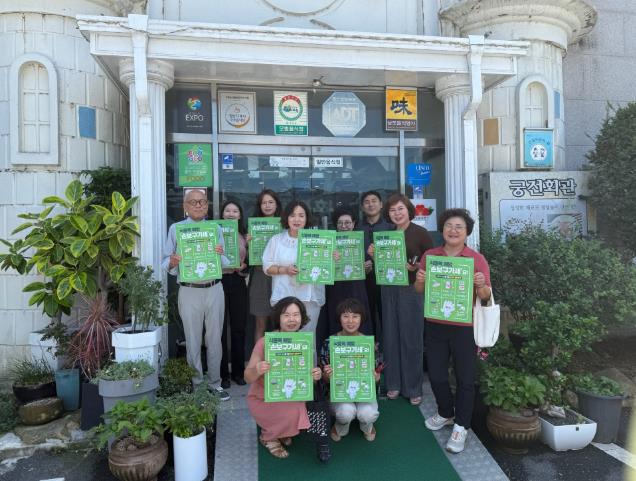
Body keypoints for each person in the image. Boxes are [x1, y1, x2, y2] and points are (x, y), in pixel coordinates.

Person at [414, 208, 492, 454]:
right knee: (437, 375)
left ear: (467, 232)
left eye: (459, 226)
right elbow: (419, 290)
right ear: (442, 229)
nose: (453, 230)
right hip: (436, 324)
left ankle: (461, 426)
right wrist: (420, 279)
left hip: (465, 328)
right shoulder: (431, 256)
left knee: (465, 379)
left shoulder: (476, 259)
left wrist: (481, 285)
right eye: (449, 225)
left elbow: (486, 296)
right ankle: (446, 412)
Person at [162, 189, 231, 401]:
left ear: (207, 205)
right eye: (193, 202)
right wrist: (172, 262)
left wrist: (221, 254)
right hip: (189, 290)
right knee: (192, 340)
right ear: (185, 207)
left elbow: (227, 262)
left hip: (214, 288)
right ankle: (197, 384)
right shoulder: (176, 229)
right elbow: (165, 262)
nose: (198, 205)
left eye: (202, 202)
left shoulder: (215, 229)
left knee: (215, 339)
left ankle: (215, 383)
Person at [370, 194, 433, 405]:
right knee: (390, 336)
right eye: (392, 210)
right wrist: (373, 254)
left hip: (412, 289)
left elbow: (432, 262)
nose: (397, 213)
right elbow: (381, 262)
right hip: (388, 288)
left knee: (411, 338)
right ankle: (393, 383)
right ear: (387, 214)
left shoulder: (420, 233)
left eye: (400, 209)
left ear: (408, 210)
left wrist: (417, 267)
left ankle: (413, 387)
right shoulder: (385, 235)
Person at [245, 297, 322, 459]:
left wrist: (315, 376)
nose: (291, 319)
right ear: (278, 318)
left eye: (296, 315)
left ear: (302, 317)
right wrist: (257, 369)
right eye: (286, 315)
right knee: (293, 412)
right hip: (263, 397)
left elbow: (307, 380)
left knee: (297, 407)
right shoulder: (265, 342)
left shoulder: (303, 342)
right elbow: (247, 377)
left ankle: (281, 430)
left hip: (290, 393)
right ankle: (268, 437)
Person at [321, 298, 380, 442]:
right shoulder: (329, 343)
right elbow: (324, 381)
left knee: (367, 414)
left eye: (355, 316)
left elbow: (377, 376)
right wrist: (327, 375)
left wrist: (376, 379)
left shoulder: (369, 343)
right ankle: (341, 426)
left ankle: (367, 425)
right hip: (339, 392)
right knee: (345, 413)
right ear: (339, 318)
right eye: (345, 316)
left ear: (361, 318)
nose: (350, 321)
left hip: (364, 392)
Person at [262, 200, 325, 333]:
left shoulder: (317, 240)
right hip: (284, 296)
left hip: (309, 298)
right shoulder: (276, 240)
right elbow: (267, 267)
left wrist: (332, 257)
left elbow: (325, 266)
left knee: (308, 338)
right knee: (286, 338)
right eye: (292, 215)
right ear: (287, 218)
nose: (297, 219)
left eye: (301, 215)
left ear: (307, 218)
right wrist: (285, 270)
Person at [325, 207, 371, 336]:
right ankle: (337, 346)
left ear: (354, 223)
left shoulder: (361, 240)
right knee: (337, 314)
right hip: (336, 287)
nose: (344, 226)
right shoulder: (329, 241)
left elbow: (368, 267)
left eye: (347, 222)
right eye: (340, 223)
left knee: (358, 314)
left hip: (356, 287)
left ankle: (361, 346)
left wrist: (368, 267)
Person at [220, 199, 248, 388]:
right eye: (227, 211)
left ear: (240, 215)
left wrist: (245, 266)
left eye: (235, 211)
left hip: (238, 282)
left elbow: (252, 262)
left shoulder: (245, 236)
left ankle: (238, 372)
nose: (231, 214)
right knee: (220, 330)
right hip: (219, 281)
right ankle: (223, 374)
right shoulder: (214, 232)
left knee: (239, 328)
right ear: (222, 214)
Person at [358, 191, 393, 341]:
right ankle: (369, 348)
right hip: (363, 281)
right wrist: (360, 266)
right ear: (362, 207)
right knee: (365, 315)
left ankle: (388, 348)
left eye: (374, 201)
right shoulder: (357, 229)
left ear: (381, 204)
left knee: (387, 316)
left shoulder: (391, 228)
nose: (370, 204)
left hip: (387, 281)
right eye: (366, 202)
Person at [249, 189, 282, 341]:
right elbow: (248, 258)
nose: (267, 206)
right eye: (264, 203)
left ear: (277, 204)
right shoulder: (253, 226)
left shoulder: (286, 224)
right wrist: (249, 244)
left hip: (281, 276)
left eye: (271, 202)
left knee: (282, 323)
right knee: (260, 324)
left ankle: (279, 354)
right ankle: (258, 355)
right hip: (260, 277)